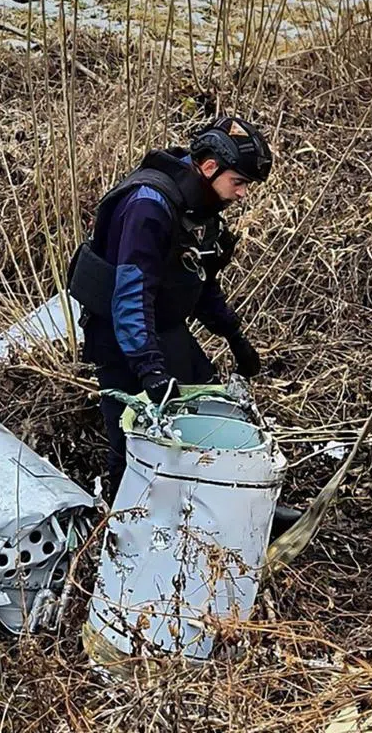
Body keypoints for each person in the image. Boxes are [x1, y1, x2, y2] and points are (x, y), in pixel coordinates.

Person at [67, 117, 271, 496]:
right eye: (239, 182)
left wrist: (233, 334)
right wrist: (150, 371)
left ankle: (218, 506)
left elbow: (196, 279)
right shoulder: (148, 207)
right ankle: (121, 527)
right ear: (210, 167)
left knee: (209, 413)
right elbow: (130, 295)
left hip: (164, 325)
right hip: (119, 336)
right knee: (132, 441)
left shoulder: (199, 207)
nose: (243, 194)